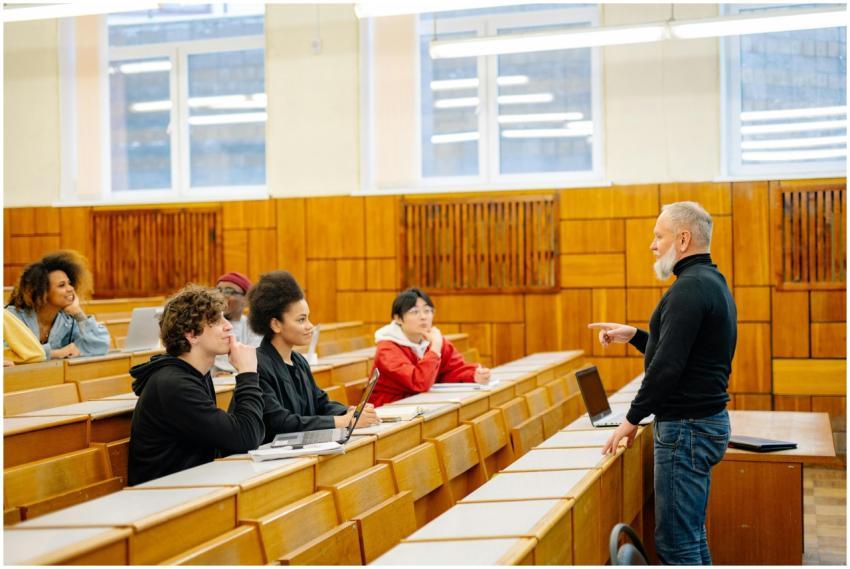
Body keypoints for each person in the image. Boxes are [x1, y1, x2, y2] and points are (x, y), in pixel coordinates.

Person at [590, 201, 737, 565]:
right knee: (691, 536)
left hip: (687, 428)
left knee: (676, 544)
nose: (652, 245)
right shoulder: (709, 281)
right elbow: (685, 352)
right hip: (704, 423)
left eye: (659, 236)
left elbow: (667, 367)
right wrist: (638, 335)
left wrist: (631, 419)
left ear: (683, 238)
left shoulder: (688, 289)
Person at [128, 285, 264, 485]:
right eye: (217, 321)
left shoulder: (196, 374)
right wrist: (248, 373)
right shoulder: (174, 385)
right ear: (192, 335)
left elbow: (231, 439)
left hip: (190, 485)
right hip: (162, 499)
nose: (229, 326)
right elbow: (246, 437)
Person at [245, 270, 379, 444]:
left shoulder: (298, 361)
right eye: (301, 320)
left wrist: (350, 412)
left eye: (308, 318)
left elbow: (320, 403)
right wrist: (342, 421)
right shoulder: (256, 364)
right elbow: (280, 422)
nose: (310, 326)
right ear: (276, 324)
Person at [370, 287, 491, 407]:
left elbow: (451, 371)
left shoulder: (432, 340)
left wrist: (473, 375)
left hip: (418, 404)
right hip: (389, 410)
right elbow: (419, 382)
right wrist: (435, 348)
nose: (423, 317)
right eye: (414, 312)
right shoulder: (387, 349)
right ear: (398, 318)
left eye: (427, 311)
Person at [5, 250, 110, 359]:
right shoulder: (11, 317)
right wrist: (54, 353)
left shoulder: (68, 320)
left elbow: (100, 345)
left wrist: (78, 313)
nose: (70, 288)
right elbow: (7, 353)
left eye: (69, 283)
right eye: (61, 285)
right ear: (43, 292)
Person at [211, 271, 262, 376]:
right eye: (218, 290)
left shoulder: (253, 326)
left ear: (245, 299)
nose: (221, 296)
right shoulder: (207, 324)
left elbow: (255, 358)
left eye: (229, 291)